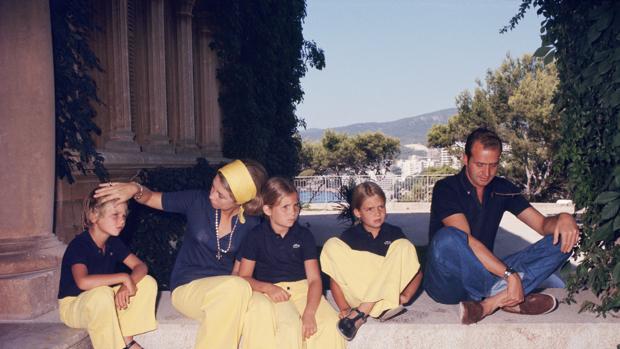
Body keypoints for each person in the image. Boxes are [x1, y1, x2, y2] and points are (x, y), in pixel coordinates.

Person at [94, 159, 270, 349]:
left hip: (226, 293)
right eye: (213, 187)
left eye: (220, 195)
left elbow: (238, 273)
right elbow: (151, 198)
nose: (212, 196)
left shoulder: (251, 224)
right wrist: (135, 189)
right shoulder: (197, 201)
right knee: (236, 289)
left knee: (263, 307)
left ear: (240, 201)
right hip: (188, 288)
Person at [423, 128, 580, 325]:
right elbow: (464, 243)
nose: (486, 173)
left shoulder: (502, 188)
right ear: (465, 159)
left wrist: (564, 218)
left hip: (488, 272)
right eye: (480, 164)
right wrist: (509, 275)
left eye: (493, 165)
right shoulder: (446, 188)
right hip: (448, 283)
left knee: (567, 238)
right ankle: (506, 296)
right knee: (447, 238)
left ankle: (489, 303)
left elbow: (541, 224)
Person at [238, 177, 346, 349]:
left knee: (329, 324)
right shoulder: (255, 237)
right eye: (285, 207)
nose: (293, 212)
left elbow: (314, 280)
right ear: (267, 209)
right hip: (273, 293)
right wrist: (268, 288)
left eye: (296, 205)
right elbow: (243, 277)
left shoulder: (304, 236)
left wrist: (309, 313)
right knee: (289, 327)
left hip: (304, 290)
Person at [320, 181, 423, 341]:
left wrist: (405, 297)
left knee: (404, 246)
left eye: (381, 207)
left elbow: (416, 271)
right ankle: (378, 308)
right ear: (357, 212)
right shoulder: (349, 237)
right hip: (358, 294)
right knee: (331, 245)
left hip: (386, 295)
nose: (377, 213)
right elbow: (336, 277)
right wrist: (344, 307)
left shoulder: (394, 233)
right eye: (370, 209)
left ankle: (362, 312)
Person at [58, 189, 157, 349]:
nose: (122, 221)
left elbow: (141, 266)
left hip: (102, 301)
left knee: (147, 283)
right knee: (102, 293)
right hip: (74, 306)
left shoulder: (113, 242)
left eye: (124, 215)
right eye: (115, 215)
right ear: (93, 216)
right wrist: (123, 277)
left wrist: (126, 284)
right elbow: (82, 282)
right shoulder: (79, 244)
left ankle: (127, 339)